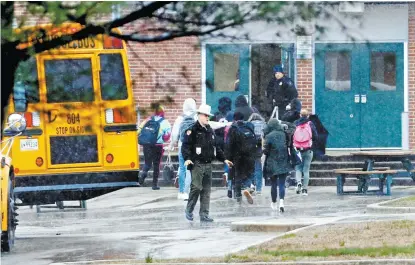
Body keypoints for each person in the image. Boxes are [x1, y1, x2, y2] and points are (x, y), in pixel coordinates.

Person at [182, 104, 233, 222]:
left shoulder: (209, 130)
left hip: (208, 163)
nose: (207, 118)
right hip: (197, 163)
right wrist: (187, 158)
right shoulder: (192, 130)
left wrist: (224, 159)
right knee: (196, 187)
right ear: (199, 115)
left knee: (206, 190)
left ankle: (204, 214)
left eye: (208, 116)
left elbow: (216, 147)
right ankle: (189, 209)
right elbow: (186, 146)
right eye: (205, 115)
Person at [169, 98, 197, 200]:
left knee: (182, 168)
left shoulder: (180, 119)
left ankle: (182, 191)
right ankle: (189, 190)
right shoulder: (197, 117)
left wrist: (172, 145)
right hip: (194, 147)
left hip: (182, 146)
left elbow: (175, 135)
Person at [225, 112, 257, 204]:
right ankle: (249, 186)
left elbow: (229, 144)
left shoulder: (233, 128)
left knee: (237, 175)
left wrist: (228, 157)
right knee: (249, 172)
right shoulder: (249, 126)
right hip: (249, 154)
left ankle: (238, 195)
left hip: (236, 156)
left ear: (234, 118)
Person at [138, 105, 171, 190]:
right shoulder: (165, 122)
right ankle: (154, 185)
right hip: (158, 146)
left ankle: (142, 177)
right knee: (156, 165)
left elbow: (139, 130)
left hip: (147, 144)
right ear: (162, 112)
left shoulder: (148, 119)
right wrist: (161, 138)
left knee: (147, 163)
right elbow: (167, 137)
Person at [263, 119, 292, 212]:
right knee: (282, 184)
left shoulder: (268, 136)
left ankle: (274, 202)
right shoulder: (284, 134)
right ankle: (282, 202)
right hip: (283, 161)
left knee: (274, 184)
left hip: (272, 162)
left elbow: (266, 151)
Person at [293, 109, 318, 196]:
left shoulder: (295, 123)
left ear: (300, 115)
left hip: (297, 150)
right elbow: (315, 136)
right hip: (308, 149)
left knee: (298, 168)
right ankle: (304, 190)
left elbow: (291, 136)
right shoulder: (310, 124)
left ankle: (299, 182)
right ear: (307, 116)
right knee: (306, 170)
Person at [247, 112, 266, 195]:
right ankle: (259, 188)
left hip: (250, 148)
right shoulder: (264, 124)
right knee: (258, 168)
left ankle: (251, 185)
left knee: (250, 168)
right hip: (259, 149)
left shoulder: (248, 124)